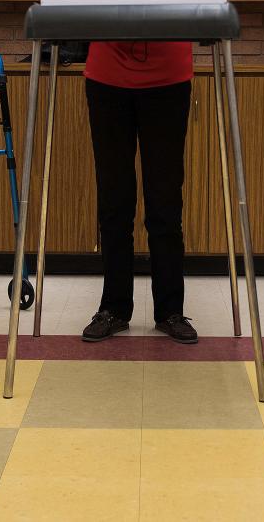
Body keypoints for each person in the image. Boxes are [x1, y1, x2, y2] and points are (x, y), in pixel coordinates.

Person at [80, 40, 197, 344]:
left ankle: (170, 311)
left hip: (168, 78)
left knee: (165, 202)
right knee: (114, 201)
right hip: (108, 77)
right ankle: (114, 308)